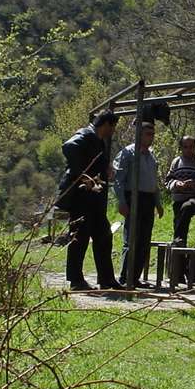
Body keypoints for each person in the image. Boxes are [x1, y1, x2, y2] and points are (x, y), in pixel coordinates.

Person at [61, 109, 123, 291]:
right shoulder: (85, 135)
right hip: (81, 198)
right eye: (112, 127)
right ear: (106, 125)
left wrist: (107, 168)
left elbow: (97, 162)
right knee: (79, 238)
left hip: (94, 200)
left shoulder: (97, 141)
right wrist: (83, 176)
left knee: (104, 235)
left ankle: (106, 279)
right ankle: (76, 280)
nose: (113, 132)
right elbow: (69, 147)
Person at [113, 121, 164, 288]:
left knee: (144, 240)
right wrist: (122, 201)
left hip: (148, 200)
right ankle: (125, 277)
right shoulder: (128, 153)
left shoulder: (151, 156)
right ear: (139, 135)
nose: (151, 137)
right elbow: (119, 180)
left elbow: (153, 182)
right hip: (133, 197)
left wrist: (158, 203)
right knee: (132, 239)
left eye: (152, 134)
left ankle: (135, 277)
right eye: (148, 134)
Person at [165, 135, 195, 246]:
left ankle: (177, 241)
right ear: (181, 148)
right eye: (185, 147)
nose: (188, 149)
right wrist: (177, 184)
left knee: (187, 207)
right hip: (178, 200)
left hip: (194, 199)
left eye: (191, 147)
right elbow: (168, 181)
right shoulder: (176, 162)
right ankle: (180, 246)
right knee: (179, 217)